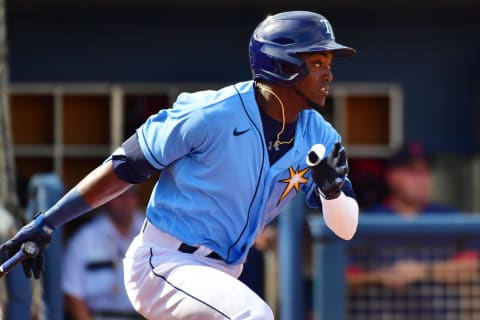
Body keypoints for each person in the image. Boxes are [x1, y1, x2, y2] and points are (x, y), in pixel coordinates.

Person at [0, 11, 359, 319]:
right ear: (283, 66)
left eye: (328, 64)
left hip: (222, 275)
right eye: (317, 63)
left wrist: (330, 192)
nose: (328, 75)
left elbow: (345, 229)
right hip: (164, 261)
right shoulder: (210, 114)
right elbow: (126, 166)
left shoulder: (320, 135)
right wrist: (47, 223)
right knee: (253, 315)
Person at [346, 142, 478, 318]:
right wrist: (380, 277)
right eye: (413, 172)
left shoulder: (448, 218)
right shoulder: (368, 221)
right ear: (392, 176)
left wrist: (423, 271)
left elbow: (470, 267)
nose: (421, 179)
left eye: (425, 172)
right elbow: (342, 276)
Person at [62, 188, 145, 319]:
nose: (125, 199)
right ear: (106, 198)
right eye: (119, 194)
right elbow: (72, 294)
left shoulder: (154, 233)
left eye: (131, 193)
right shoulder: (84, 238)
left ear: (137, 199)